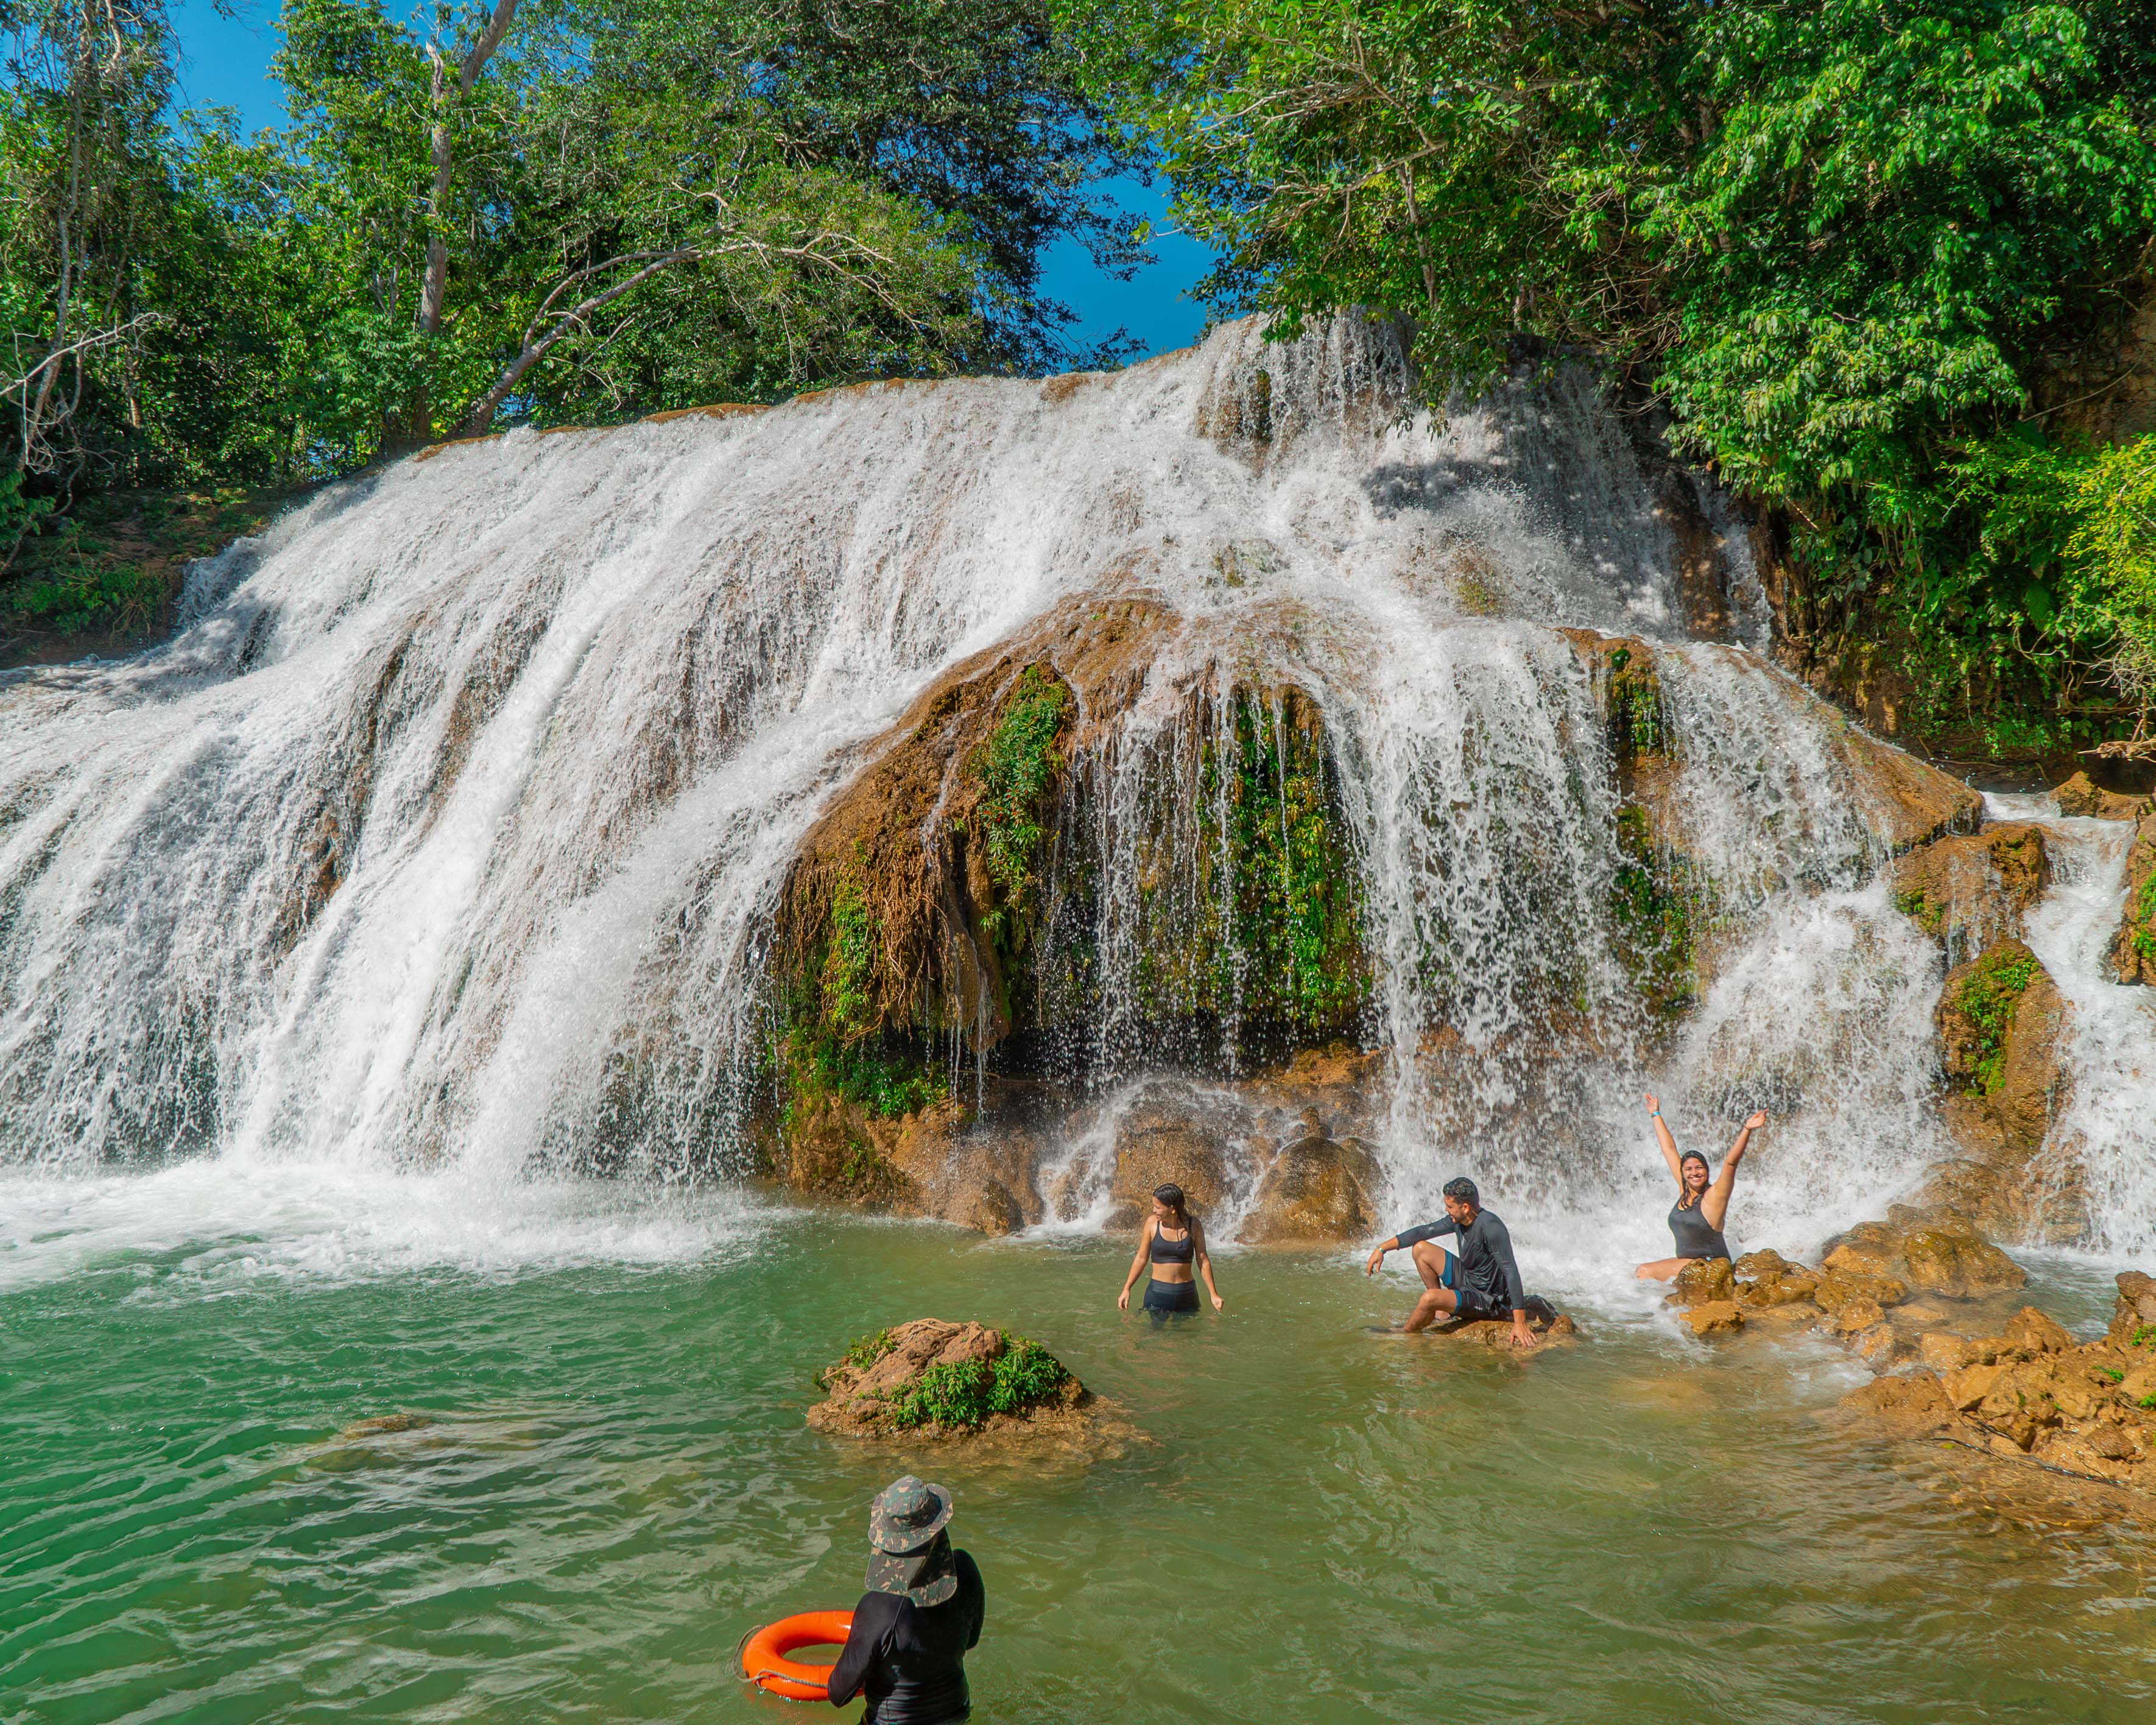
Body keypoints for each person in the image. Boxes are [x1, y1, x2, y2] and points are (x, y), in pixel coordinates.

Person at [826, 1475, 985, 1724]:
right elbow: (971, 1640)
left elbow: (838, 1693)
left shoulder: (878, 1608)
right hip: (957, 1714)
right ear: (937, 1525)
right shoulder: (965, 1570)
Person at [1365, 1176, 1535, 1349]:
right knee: (1420, 1249)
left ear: (1465, 1207)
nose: (1446, 1210)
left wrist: (1520, 1322)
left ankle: (1406, 1333)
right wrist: (1382, 1248)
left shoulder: (1491, 1228)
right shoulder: (1459, 1220)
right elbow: (1423, 1232)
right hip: (1469, 1281)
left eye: (1450, 1206)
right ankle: (1440, 1310)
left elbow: (1511, 1271)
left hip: (1488, 1300)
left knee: (1429, 1298)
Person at [1632, 1093, 1767, 1281]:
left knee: (1645, 1271)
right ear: (1683, 1173)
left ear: (1707, 1170)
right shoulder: (1685, 1190)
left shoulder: (1715, 1196)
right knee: (1638, 1273)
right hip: (1691, 1265)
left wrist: (1747, 1129)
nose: (1694, 1173)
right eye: (1688, 1169)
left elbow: (1731, 1163)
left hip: (1712, 1266)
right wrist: (1656, 1114)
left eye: (1699, 1168)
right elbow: (1669, 1150)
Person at [1115, 1182, 1224, 1321]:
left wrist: (1213, 1294)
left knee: (1187, 1334)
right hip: (1158, 1294)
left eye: (1158, 1207)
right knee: (1154, 1334)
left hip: (1187, 1295)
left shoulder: (1193, 1225)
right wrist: (1127, 1288)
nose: (1154, 1210)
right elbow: (1141, 1258)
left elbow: (1203, 1261)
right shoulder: (1152, 1224)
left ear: (1172, 1209)